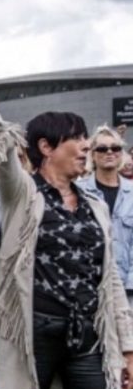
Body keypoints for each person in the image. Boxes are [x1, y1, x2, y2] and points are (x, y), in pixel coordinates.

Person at [0, 36, 133, 389]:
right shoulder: (23, 194)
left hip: (87, 336)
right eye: (76, 138)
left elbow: (109, 278)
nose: (86, 146)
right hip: (34, 336)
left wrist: (127, 346)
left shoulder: (94, 205)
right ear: (47, 148)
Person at [77, 126, 133, 307]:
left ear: (121, 153)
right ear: (92, 155)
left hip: (127, 288)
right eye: (102, 148)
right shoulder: (79, 192)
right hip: (91, 287)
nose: (109, 152)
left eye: (115, 148)